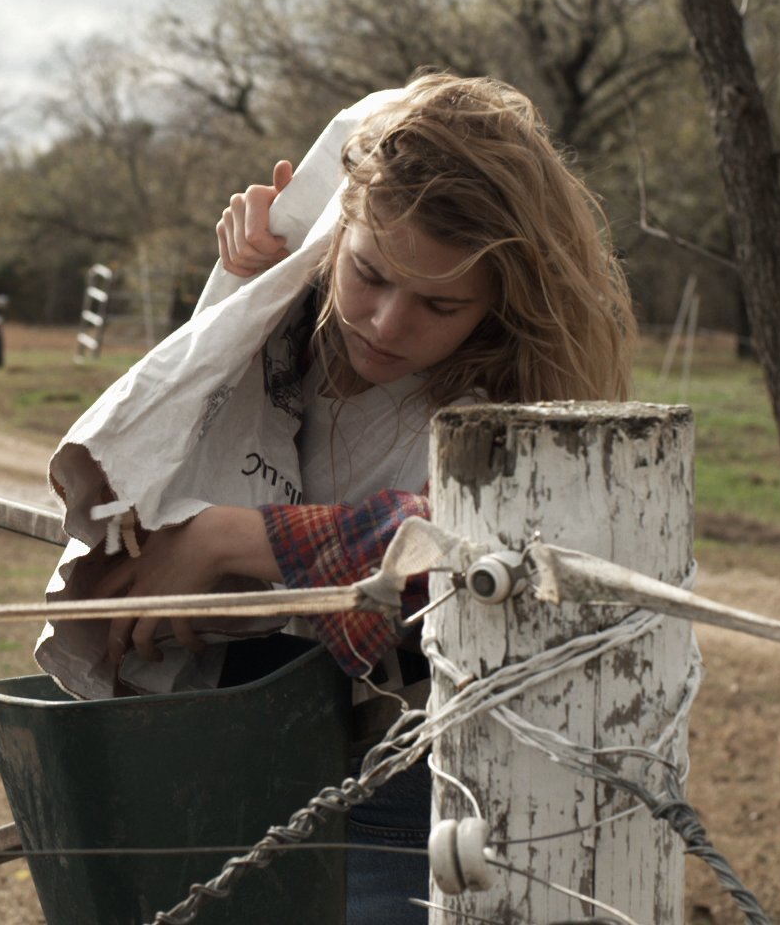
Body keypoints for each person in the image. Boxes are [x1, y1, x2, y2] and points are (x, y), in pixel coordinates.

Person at [84, 72, 636, 923]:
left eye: (439, 303)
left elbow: (469, 542)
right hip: (235, 737)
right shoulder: (282, 325)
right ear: (335, 234)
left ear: (499, 304)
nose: (384, 323)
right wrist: (245, 289)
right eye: (369, 273)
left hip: (408, 777)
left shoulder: (507, 403)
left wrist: (228, 539)